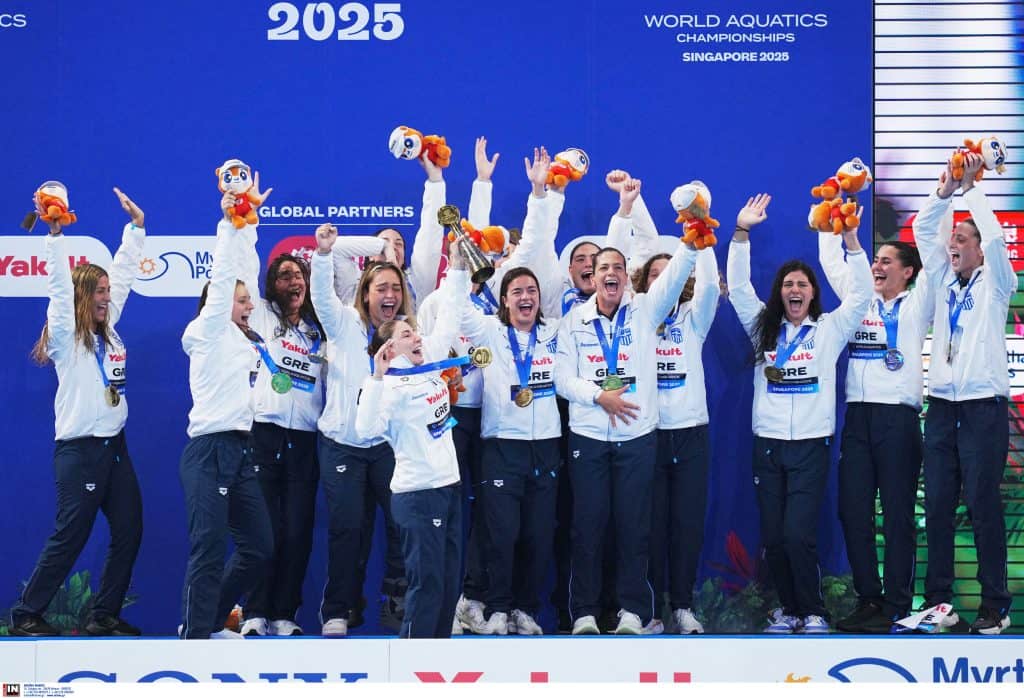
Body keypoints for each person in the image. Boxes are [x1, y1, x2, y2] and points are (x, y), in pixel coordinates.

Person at [418, 143, 553, 634]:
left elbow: (529, 249)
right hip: (454, 417)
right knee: (455, 511)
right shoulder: (443, 299)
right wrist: (479, 185)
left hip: (497, 418)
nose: (489, 255)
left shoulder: (502, 296)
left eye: (494, 252)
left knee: (498, 517)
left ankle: (478, 596)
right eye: (480, 249)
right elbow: (463, 235)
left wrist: (538, 194)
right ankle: (455, 601)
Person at [554, 178, 699, 635]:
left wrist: (692, 240)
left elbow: (674, 275)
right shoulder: (573, 321)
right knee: (588, 528)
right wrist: (598, 396)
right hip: (589, 436)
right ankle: (584, 613)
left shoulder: (647, 310)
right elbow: (561, 378)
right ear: (592, 278)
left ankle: (633, 613)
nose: (611, 273)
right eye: (603, 268)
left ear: (627, 276)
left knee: (635, 528)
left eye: (619, 266)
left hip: (637, 437)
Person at [727, 193, 872, 634]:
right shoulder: (763, 329)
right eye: (788, 284)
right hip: (768, 446)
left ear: (813, 294)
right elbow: (738, 289)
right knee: (773, 538)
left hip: (810, 446)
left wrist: (852, 242)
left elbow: (861, 295)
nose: (795, 290)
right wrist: (741, 232)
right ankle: (789, 610)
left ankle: (814, 612)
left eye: (802, 285)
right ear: (780, 293)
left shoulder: (829, 330)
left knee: (797, 535)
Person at [11, 188, 146, 637]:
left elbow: (124, 277)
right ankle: (26, 613)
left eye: (108, 291)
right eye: (100, 292)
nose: (107, 297)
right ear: (83, 296)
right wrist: (54, 238)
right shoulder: (67, 336)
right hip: (80, 450)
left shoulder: (110, 330)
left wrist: (136, 230)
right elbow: (57, 290)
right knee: (72, 534)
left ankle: (103, 614)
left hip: (115, 448)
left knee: (129, 529)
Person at [914, 153, 1015, 634]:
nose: (953, 243)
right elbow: (922, 230)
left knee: (981, 504)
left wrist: (972, 188)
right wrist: (945, 192)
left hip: (983, 409)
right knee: (936, 504)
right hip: (940, 407)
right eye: (952, 238)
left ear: (978, 250)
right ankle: (939, 604)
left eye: (961, 238)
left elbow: (994, 238)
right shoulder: (941, 280)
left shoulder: (997, 283)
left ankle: (995, 606)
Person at [819, 225, 937, 633]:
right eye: (875, 260)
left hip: (898, 420)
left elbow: (934, 257)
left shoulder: (918, 303)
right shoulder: (859, 299)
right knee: (853, 511)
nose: (876, 267)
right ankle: (869, 599)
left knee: (898, 515)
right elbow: (831, 262)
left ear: (908, 272)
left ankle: (898, 605)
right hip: (858, 417)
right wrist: (830, 223)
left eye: (886, 261)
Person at [354, 247, 470, 639]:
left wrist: (457, 268)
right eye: (406, 334)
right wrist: (376, 377)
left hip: (449, 487)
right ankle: (412, 661)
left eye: (415, 331)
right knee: (427, 583)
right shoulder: (388, 387)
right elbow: (365, 430)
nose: (417, 337)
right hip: (418, 495)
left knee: (449, 585)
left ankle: (437, 660)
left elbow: (450, 316)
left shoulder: (428, 360)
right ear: (389, 348)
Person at [178, 184, 275, 639]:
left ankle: (212, 618)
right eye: (242, 301)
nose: (250, 305)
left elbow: (243, 276)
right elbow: (223, 281)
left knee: (260, 548)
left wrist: (249, 223)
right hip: (209, 450)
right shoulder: (209, 330)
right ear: (217, 307)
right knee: (209, 548)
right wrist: (227, 225)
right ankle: (196, 636)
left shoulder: (242, 338)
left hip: (241, 451)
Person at [310, 224, 414, 636]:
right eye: (381, 288)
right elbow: (322, 288)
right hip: (343, 445)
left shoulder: (406, 333)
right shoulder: (342, 322)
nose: (390, 295)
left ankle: (398, 605)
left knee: (401, 526)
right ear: (365, 293)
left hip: (387, 444)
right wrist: (378, 247)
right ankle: (340, 609)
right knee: (347, 529)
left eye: (396, 288)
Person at [234, 238, 326, 636]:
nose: (295, 280)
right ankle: (254, 611)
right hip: (265, 433)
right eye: (285, 275)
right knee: (263, 529)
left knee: (298, 531)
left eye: (300, 274)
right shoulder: (262, 316)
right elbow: (242, 266)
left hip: (304, 439)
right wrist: (243, 224)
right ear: (271, 285)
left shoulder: (319, 329)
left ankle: (285, 613)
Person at [635, 237, 719, 634]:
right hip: (648, 433)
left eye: (670, 273)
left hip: (690, 433)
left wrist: (702, 236)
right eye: (655, 274)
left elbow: (710, 285)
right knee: (650, 527)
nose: (663, 279)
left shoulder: (694, 317)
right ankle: (651, 611)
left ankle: (683, 606)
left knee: (687, 526)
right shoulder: (637, 317)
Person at [332, 153, 449, 311]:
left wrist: (435, 181)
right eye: (385, 241)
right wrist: (383, 247)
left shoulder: (417, 283)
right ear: (369, 255)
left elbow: (431, 232)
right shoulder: (354, 285)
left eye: (398, 244)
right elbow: (335, 247)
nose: (393, 247)